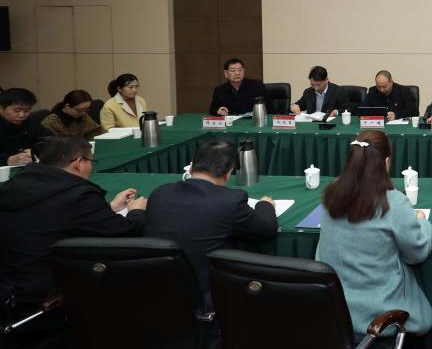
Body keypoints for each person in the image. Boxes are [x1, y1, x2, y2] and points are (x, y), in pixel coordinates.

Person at [0, 135, 146, 315]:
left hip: (9, 286)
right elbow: (126, 234)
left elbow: (54, 216)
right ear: (79, 163)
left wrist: (110, 208)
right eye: (91, 162)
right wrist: (136, 212)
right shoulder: (78, 194)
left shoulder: (15, 183)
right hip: (42, 295)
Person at [316, 130, 432, 335]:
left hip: (333, 309)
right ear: (386, 162)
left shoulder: (331, 193)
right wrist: (422, 222)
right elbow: (417, 253)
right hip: (381, 313)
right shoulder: (394, 202)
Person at [145, 139, 278, 307]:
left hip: (156, 295)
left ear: (191, 168)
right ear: (229, 172)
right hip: (208, 298)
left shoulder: (159, 194)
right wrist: (265, 204)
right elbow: (266, 229)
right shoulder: (230, 200)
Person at [0, 87, 52, 166]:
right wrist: (8, 160)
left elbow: (50, 140)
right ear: (1, 108)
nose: (22, 115)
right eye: (17, 111)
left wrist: (35, 150)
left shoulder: (31, 123)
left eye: (27, 111)